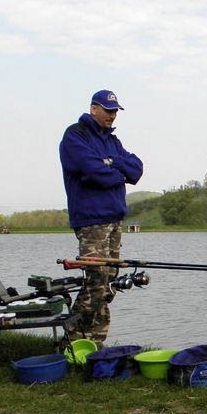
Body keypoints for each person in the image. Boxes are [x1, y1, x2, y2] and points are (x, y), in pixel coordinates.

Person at [59, 89, 143, 346]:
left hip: (115, 218)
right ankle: (72, 341)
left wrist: (112, 162)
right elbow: (93, 172)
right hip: (91, 220)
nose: (112, 115)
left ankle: (95, 342)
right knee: (95, 282)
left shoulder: (113, 142)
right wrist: (118, 172)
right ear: (94, 108)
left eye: (115, 110)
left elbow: (136, 169)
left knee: (110, 282)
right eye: (108, 110)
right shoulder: (75, 135)